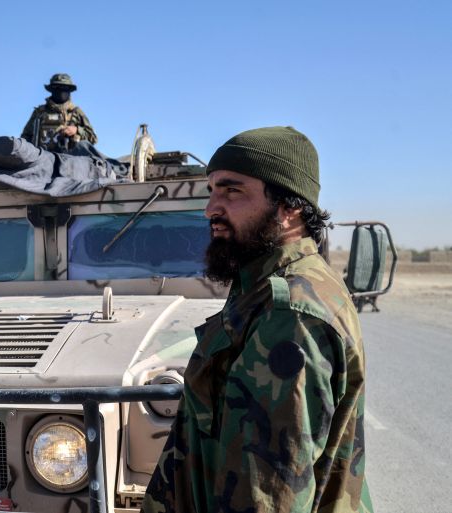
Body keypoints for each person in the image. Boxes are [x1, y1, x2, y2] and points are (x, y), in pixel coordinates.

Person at [142, 127, 372, 513]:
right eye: (212, 190)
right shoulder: (263, 287)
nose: (211, 208)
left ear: (289, 206)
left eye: (232, 191)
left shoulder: (289, 314)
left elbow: (268, 496)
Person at [21, 73, 97, 152]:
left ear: (69, 90)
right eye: (57, 87)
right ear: (52, 89)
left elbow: (93, 138)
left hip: (68, 161)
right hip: (42, 160)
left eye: (65, 88)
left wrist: (77, 130)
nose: (61, 91)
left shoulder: (76, 112)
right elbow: (25, 137)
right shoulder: (39, 112)